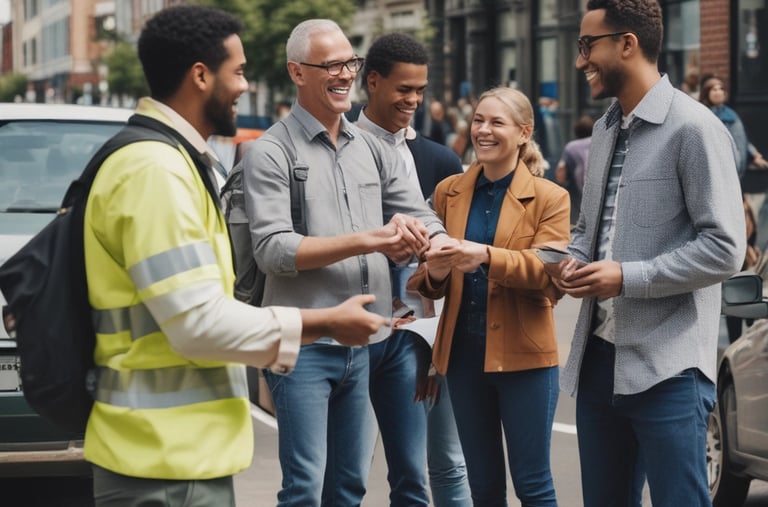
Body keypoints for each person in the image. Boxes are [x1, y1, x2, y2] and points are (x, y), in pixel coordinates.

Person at [81, 6, 389, 506]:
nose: (246, 87)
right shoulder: (155, 171)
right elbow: (198, 323)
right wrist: (323, 322)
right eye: (239, 72)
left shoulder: (178, 161)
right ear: (201, 76)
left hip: (181, 457)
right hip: (163, 464)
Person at [238, 19, 452, 507]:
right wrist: (368, 241)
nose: (345, 75)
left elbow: (418, 212)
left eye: (349, 63)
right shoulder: (268, 152)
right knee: (305, 490)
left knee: (348, 487)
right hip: (305, 344)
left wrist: (436, 243)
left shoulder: (374, 148)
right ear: (297, 72)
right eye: (331, 65)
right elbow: (272, 249)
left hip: (365, 342)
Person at [548, 1, 746, 506]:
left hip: (669, 370)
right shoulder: (604, 129)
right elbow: (591, 231)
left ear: (627, 43)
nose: (580, 61)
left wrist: (626, 276)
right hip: (598, 364)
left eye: (587, 45)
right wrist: (568, 262)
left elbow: (726, 249)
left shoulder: (694, 128)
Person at [408, 86, 570, 506]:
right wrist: (437, 270)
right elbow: (426, 279)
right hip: (463, 358)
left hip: (526, 358)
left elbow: (549, 274)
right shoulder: (448, 192)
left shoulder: (551, 198)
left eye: (497, 122)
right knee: (482, 486)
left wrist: (484, 256)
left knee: (533, 484)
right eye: (478, 120)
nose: (483, 130)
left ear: (523, 133)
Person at [357, 32, 471, 507]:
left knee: (441, 465)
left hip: (425, 329)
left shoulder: (440, 160)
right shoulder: (343, 150)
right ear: (373, 82)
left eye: (421, 90)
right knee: (351, 466)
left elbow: (451, 253)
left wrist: (436, 339)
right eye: (404, 89)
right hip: (361, 326)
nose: (414, 101)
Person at [699, 75, 768, 178]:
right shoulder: (703, 115)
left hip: (735, 167)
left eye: (721, 89)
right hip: (716, 170)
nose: (718, 92)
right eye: (714, 89)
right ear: (707, 93)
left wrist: (754, 155)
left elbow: (740, 139)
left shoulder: (731, 114)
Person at [555, 115, 594, 224]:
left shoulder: (571, 147)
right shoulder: (598, 142)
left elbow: (561, 172)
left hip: (579, 194)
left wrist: (561, 185)